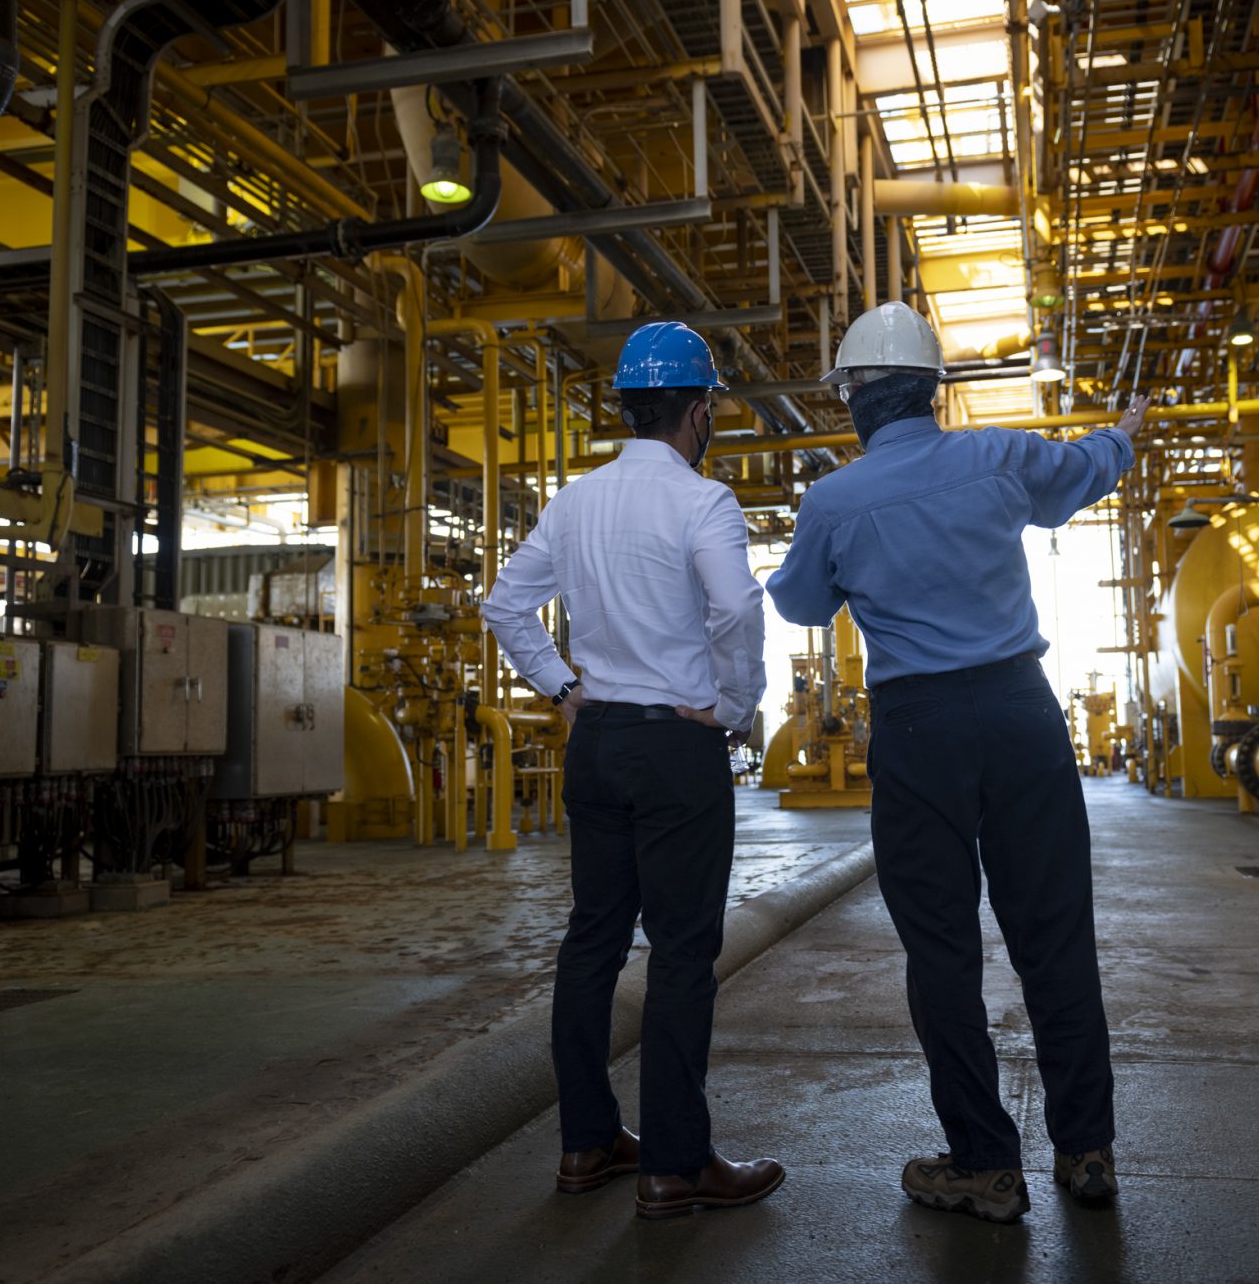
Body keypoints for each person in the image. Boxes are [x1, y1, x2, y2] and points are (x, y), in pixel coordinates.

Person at [766, 302, 1150, 1224]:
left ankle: (983, 1163)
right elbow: (1087, 469)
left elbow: (800, 606)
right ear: (933, 391)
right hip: (1022, 712)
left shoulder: (835, 499)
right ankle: (1086, 1149)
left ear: (856, 397)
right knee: (1054, 932)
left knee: (940, 949)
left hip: (918, 729)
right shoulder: (1001, 457)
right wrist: (1123, 436)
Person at [483, 321, 782, 1220]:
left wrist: (563, 688)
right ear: (698, 413)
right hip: (675, 745)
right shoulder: (703, 501)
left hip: (598, 741)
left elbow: (504, 606)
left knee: (592, 943)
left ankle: (586, 1144)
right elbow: (735, 608)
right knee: (683, 953)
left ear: (626, 406)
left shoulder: (574, 501)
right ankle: (675, 1165)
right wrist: (732, 707)